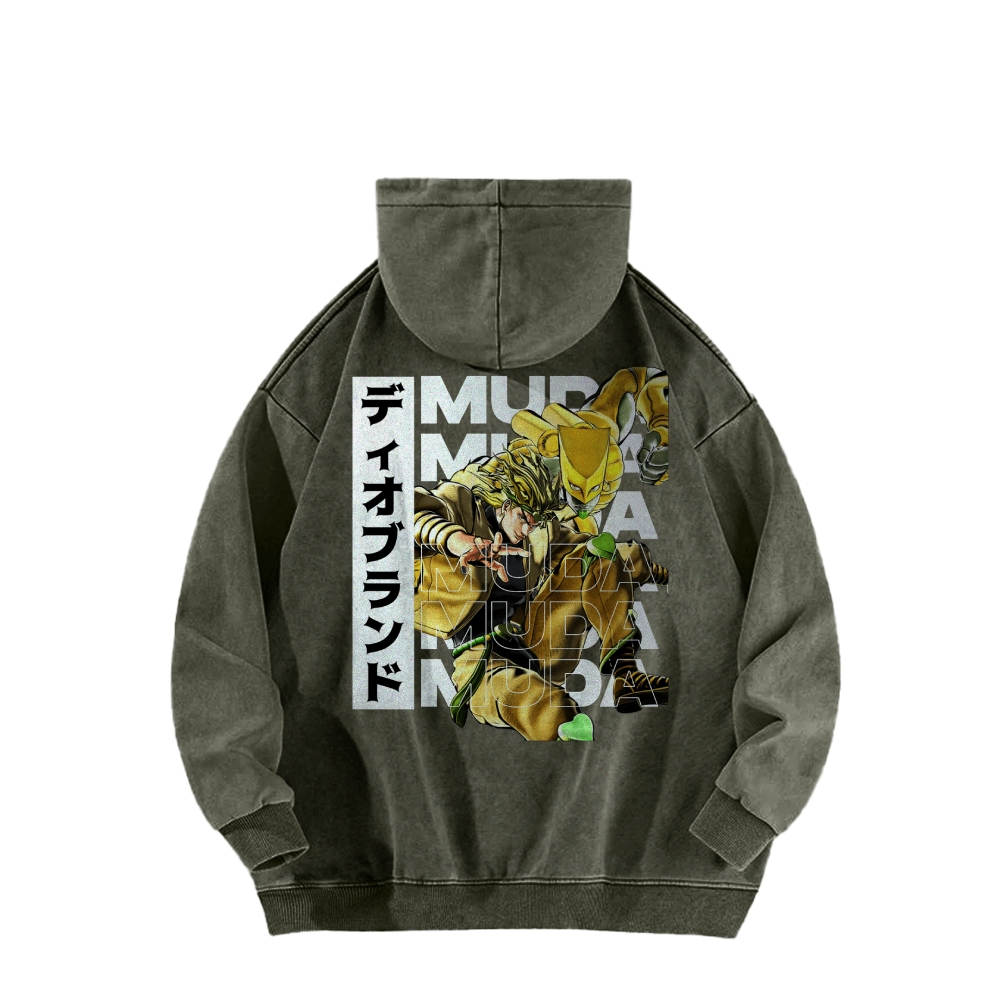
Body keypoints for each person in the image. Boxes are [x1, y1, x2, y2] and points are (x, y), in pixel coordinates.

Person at [414, 439, 670, 741]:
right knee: (543, 709)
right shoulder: (461, 505)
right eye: (523, 519)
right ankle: (565, 729)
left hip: (538, 641)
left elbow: (596, 555)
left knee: (597, 554)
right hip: (483, 661)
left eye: (534, 523)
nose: (527, 529)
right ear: (506, 505)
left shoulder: (538, 532)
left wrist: (653, 569)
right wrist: (458, 541)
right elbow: (410, 516)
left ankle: (626, 674)